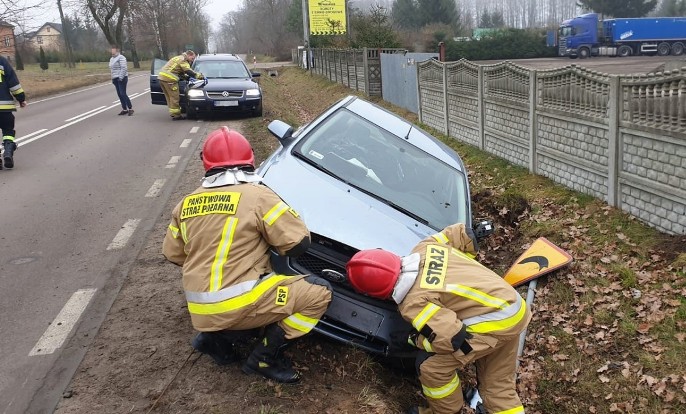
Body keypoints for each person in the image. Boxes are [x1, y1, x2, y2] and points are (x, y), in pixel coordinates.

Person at [163, 126, 332, 383]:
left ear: (205, 163)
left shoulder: (185, 204)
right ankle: (265, 358)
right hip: (238, 304)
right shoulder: (258, 196)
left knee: (247, 294)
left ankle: (214, 338)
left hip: (198, 309)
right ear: (251, 158)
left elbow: (173, 254)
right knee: (319, 292)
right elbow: (297, 243)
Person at [346, 223, 530, 414]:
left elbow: (450, 339)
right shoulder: (425, 247)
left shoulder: (413, 302)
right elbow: (461, 234)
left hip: (494, 321)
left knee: (432, 368)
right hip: (512, 306)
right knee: (497, 384)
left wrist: (414, 339)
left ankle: (446, 411)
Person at [157, 50, 202, 120]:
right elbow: (188, 71)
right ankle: (176, 115)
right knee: (174, 97)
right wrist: (199, 76)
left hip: (162, 78)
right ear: (189, 55)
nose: (192, 60)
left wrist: (187, 78)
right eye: (192, 58)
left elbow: (178, 71)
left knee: (169, 97)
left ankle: (173, 113)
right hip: (170, 80)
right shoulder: (184, 60)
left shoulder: (178, 58)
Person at [0, 55, 25, 169]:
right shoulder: (2, 61)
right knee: (8, 130)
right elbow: (13, 83)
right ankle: (8, 151)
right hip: (4, 106)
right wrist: (21, 98)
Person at [109, 46, 133, 116]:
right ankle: (124, 109)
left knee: (123, 93)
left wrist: (120, 77)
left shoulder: (121, 58)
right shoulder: (111, 59)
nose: (112, 52)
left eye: (113, 51)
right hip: (115, 78)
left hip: (122, 78)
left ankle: (130, 108)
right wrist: (113, 78)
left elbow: (124, 68)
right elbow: (112, 70)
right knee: (119, 94)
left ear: (117, 51)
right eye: (111, 51)